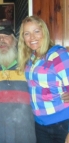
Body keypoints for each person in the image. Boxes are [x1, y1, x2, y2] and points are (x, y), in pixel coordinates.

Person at [18, 15, 69, 143]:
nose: (32, 37)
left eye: (36, 31)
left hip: (62, 124)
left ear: (44, 32)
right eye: (27, 34)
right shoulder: (30, 59)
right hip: (40, 125)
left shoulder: (58, 55)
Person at [0, 25, 36, 143]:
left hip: (25, 134)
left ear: (15, 40)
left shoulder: (29, 64)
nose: (1, 40)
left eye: (6, 36)